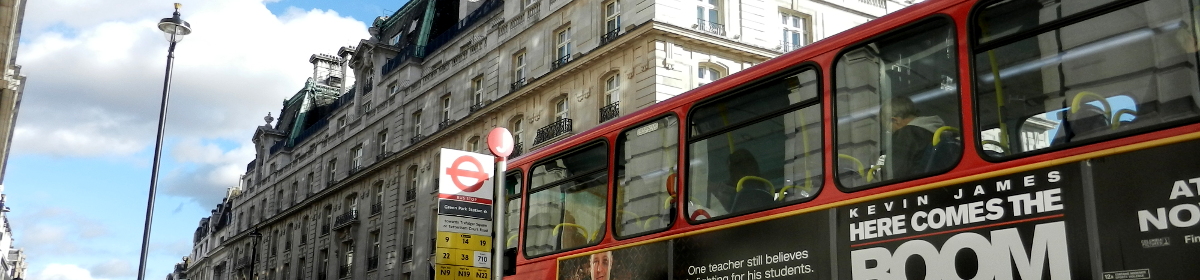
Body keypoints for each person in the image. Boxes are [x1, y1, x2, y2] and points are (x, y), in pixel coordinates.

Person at [881, 96, 945, 178]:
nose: (891, 132)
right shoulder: (938, 131)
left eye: (889, 129)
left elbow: (895, 173)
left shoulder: (906, 134)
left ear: (895, 120)